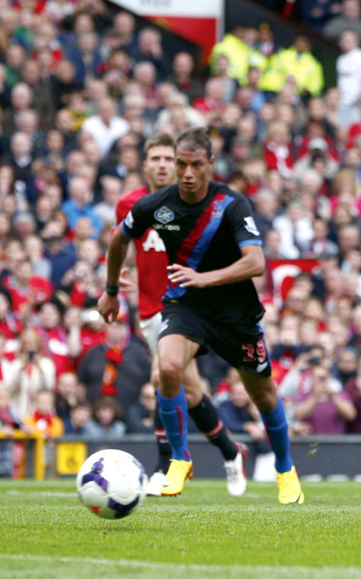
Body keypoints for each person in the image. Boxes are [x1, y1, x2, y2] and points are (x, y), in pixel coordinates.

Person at [99, 128, 304, 504]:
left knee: (264, 395)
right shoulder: (153, 205)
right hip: (185, 305)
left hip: (235, 314)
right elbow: (118, 241)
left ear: (209, 163)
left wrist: (204, 277)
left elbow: (256, 262)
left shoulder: (231, 203)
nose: (187, 172)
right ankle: (178, 459)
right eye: (181, 164)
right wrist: (111, 291)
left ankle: (285, 467)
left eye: (195, 165)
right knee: (168, 368)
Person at [114, 132, 249, 497]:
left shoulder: (196, 203)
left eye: (165, 158)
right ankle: (230, 451)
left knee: (162, 375)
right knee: (189, 391)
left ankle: (166, 466)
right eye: (154, 159)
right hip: (148, 309)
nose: (161, 165)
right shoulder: (130, 202)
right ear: (145, 164)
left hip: (186, 306)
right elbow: (128, 247)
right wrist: (122, 280)